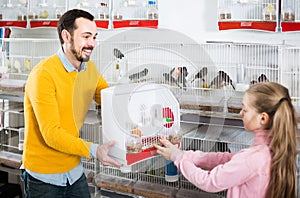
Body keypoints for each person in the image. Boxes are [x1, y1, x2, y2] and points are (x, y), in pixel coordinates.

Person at [21, 9, 122, 198]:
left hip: (74, 173)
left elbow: (108, 99)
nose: (91, 43)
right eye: (85, 36)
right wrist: (94, 150)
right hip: (43, 178)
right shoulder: (43, 74)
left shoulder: (89, 70)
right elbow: (51, 133)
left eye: (94, 37)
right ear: (66, 36)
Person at [154, 82, 297, 198]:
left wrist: (178, 159)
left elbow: (209, 182)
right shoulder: (272, 148)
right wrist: (186, 155)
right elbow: (226, 158)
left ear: (263, 118)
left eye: (245, 110)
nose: (240, 113)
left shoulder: (252, 158)